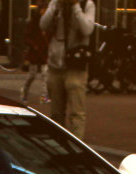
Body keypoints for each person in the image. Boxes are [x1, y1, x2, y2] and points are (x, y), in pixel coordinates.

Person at [40, 0, 95, 139]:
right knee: (56, 113)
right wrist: (55, 8)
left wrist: (76, 6)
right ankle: (59, 145)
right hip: (55, 65)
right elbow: (43, 24)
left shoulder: (86, 5)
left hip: (75, 65)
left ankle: (78, 148)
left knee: (77, 113)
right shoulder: (55, 3)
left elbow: (87, 29)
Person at [20, 2, 50, 105]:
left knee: (45, 74)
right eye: (43, 9)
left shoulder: (48, 22)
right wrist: (34, 45)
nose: (45, 12)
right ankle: (24, 91)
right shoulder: (34, 22)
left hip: (44, 51)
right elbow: (27, 36)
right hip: (36, 51)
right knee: (32, 75)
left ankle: (44, 96)